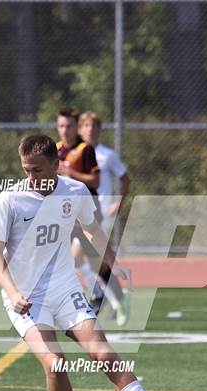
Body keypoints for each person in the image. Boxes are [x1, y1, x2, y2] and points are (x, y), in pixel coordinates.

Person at [0, 134, 182, 391]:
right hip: (26, 297)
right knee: (55, 364)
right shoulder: (9, 200)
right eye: (25, 169)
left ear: (56, 165)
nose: (30, 176)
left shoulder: (75, 191)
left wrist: (114, 264)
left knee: (105, 355)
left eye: (36, 170)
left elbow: (91, 228)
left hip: (65, 288)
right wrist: (13, 291)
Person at [56, 107, 129, 326]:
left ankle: (104, 296)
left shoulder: (93, 152)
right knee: (89, 260)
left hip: (93, 212)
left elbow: (103, 180)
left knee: (80, 258)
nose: (65, 130)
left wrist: (119, 203)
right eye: (61, 126)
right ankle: (111, 296)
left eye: (69, 126)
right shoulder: (58, 150)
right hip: (68, 215)